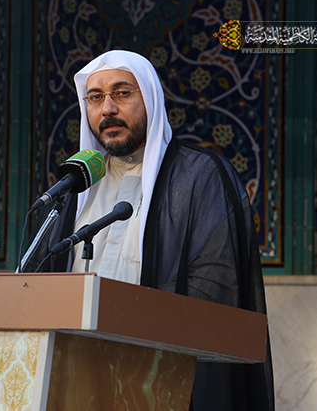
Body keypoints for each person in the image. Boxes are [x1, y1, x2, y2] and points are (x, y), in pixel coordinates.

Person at [26, 50, 274, 410]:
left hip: (160, 385)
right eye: (95, 97)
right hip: (75, 381)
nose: (107, 108)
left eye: (122, 92)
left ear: (151, 99)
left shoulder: (198, 177)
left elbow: (215, 293)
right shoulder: (74, 190)